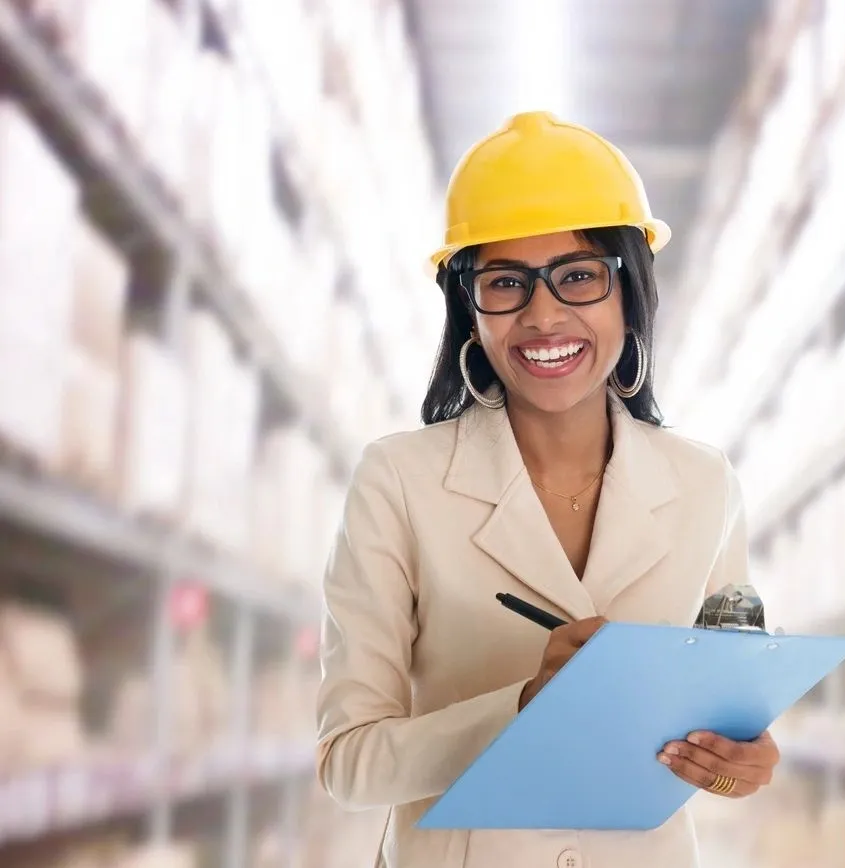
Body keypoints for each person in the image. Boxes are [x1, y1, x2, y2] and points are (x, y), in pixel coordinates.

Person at [315, 110, 782, 868]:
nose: (542, 316)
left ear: (629, 292)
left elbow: (720, 732)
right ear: (468, 306)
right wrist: (523, 709)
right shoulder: (399, 482)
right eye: (504, 283)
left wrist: (737, 765)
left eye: (577, 277)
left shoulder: (703, 487)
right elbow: (348, 765)